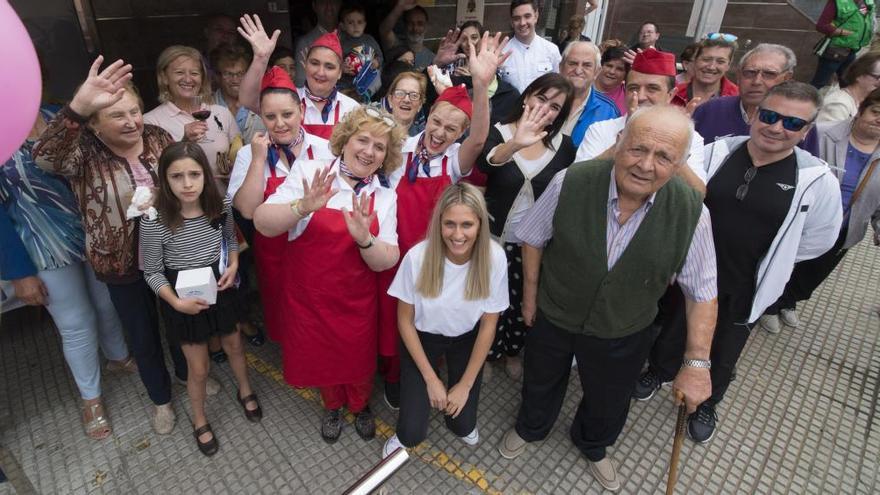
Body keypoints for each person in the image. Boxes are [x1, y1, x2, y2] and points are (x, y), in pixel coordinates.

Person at [497, 106, 718, 493]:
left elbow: (702, 292)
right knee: (541, 378)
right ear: (619, 144)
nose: (646, 165)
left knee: (610, 395)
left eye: (663, 156)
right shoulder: (572, 181)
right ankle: (531, 427)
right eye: (638, 148)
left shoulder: (692, 213)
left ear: (680, 163)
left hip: (625, 326)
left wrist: (697, 363)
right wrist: (530, 300)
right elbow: (532, 237)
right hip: (556, 312)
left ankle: (593, 443)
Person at [635, 82, 843, 445]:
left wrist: (775, 263)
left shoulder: (815, 179)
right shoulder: (718, 152)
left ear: (807, 131)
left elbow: (820, 238)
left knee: (725, 350)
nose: (777, 128)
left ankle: (707, 404)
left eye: (792, 123)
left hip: (747, 285)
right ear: (755, 114)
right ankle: (659, 371)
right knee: (673, 330)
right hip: (691, 276)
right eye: (770, 116)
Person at [34, 56, 210, 436]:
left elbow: (182, 179)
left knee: (179, 322)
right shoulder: (82, 152)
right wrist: (79, 107)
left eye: (135, 111)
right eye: (117, 116)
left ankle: (186, 377)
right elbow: (43, 159)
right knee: (142, 335)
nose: (132, 122)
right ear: (96, 124)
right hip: (120, 264)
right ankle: (161, 401)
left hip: (170, 253)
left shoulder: (159, 138)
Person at [253, 106, 404, 442]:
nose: (369, 151)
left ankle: (360, 405)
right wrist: (302, 207)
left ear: (386, 156)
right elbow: (263, 223)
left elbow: (387, 260)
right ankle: (333, 405)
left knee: (359, 362)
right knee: (321, 358)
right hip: (310, 298)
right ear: (345, 140)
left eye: (379, 147)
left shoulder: (385, 195)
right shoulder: (310, 171)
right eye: (362, 140)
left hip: (355, 302)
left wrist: (365, 239)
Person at [377, 32, 509, 410]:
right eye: (437, 122)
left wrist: (481, 86)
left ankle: (420, 379)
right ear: (428, 115)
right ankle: (392, 374)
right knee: (391, 322)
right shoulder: (397, 146)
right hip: (392, 253)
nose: (440, 133)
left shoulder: (453, 160)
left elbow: (481, 138)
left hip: (432, 258)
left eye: (451, 129)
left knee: (425, 322)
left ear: (459, 134)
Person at [1, 104, 134, 440]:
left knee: (107, 305)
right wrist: (18, 272)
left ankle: (119, 358)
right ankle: (91, 399)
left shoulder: (60, 114)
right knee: (76, 323)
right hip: (42, 244)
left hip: (93, 231)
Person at [140, 142, 260, 456]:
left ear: (205, 175)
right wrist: (175, 303)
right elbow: (151, 272)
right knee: (199, 368)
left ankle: (245, 389)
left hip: (220, 285)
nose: (188, 183)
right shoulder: (154, 220)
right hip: (182, 294)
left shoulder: (219, 205)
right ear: (164, 180)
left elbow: (231, 240)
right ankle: (199, 418)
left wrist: (233, 264)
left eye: (194, 174)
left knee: (234, 344)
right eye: (177, 176)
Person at [382, 183, 509, 457]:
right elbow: (404, 320)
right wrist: (430, 378)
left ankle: (454, 395)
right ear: (439, 223)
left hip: (466, 338)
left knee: (462, 422)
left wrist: (464, 385)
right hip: (422, 338)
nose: (458, 234)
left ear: (480, 225)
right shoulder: (418, 257)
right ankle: (406, 425)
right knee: (413, 433)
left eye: (467, 225)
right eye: (450, 224)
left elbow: (488, 325)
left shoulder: (495, 258)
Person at [478, 73, 576, 379]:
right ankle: (486, 353)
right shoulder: (500, 131)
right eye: (541, 98)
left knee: (523, 301)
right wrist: (516, 144)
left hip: (533, 245)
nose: (545, 108)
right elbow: (486, 163)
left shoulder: (564, 147)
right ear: (527, 96)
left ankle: (512, 351)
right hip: (493, 238)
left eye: (555, 106)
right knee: (488, 299)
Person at [760, 88, 880, 332]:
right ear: (861, 110)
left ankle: (789, 301)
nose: (879, 120)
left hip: (846, 227)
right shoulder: (823, 133)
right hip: (801, 219)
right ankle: (768, 305)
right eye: (876, 111)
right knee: (783, 264)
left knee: (815, 271)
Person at [228, 67, 333, 342]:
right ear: (260, 116)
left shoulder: (326, 149)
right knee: (282, 310)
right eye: (270, 117)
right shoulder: (247, 155)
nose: (279, 124)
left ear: (300, 109)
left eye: (287, 114)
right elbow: (248, 210)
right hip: (275, 252)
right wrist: (258, 159)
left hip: (320, 249)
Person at [576, 49, 706, 192]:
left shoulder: (692, 138)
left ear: (670, 94)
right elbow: (577, 179)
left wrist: (678, 142)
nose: (641, 96)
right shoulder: (600, 129)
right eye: (634, 88)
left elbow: (699, 193)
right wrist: (628, 133)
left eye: (652, 89)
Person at [692, 44, 821, 154]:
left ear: (787, 78)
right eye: (750, 72)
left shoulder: (796, 123)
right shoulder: (709, 110)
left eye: (769, 74)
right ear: (738, 76)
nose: (757, 81)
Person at [144, 45, 241, 191]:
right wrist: (184, 142)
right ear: (164, 77)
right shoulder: (150, 121)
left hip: (224, 203)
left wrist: (234, 172)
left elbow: (239, 155)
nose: (188, 79)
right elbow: (153, 172)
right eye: (179, 72)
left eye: (194, 73)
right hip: (182, 209)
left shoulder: (221, 113)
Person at [559, 41, 620, 147]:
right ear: (561, 67)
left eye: (587, 65)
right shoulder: (543, 100)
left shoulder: (609, 112)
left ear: (596, 72)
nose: (578, 71)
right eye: (573, 63)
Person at [499, 0, 562, 93]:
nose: (522, 23)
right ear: (512, 22)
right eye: (517, 18)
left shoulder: (551, 50)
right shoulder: (503, 52)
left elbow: (559, 86)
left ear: (536, 16)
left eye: (527, 16)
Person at [811, 0, 876, 88]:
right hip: (835, 51)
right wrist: (840, 32)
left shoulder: (864, 3)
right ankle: (805, 100)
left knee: (848, 83)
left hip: (852, 50)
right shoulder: (837, 2)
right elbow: (821, 26)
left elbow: (863, 21)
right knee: (819, 83)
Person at [211, 43, 266, 143]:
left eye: (240, 73)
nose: (235, 79)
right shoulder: (207, 105)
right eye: (228, 74)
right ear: (217, 76)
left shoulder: (262, 103)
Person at [672, 35, 739, 110]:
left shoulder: (739, 98)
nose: (711, 67)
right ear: (695, 61)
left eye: (720, 62)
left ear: (728, 66)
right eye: (706, 59)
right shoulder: (673, 94)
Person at [817, 52, 880, 122]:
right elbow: (826, 132)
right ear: (859, 75)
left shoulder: (865, 103)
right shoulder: (839, 104)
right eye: (878, 77)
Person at [293, 0, 342, 87]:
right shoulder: (305, 42)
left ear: (340, 3)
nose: (329, 7)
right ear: (314, 6)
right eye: (323, 2)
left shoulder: (353, 37)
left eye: (333, 1)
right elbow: (301, 83)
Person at [379, 0, 436, 70]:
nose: (415, 28)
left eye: (420, 23)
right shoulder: (395, 46)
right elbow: (384, 30)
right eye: (411, 23)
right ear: (404, 25)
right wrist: (399, 7)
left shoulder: (432, 58)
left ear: (426, 27)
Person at [339, 4, 383, 92]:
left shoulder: (369, 40)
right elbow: (334, 62)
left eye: (359, 22)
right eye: (351, 22)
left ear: (365, 24)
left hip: (368, 84)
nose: (356, 26)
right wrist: (341, 68)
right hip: (346, 86)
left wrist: (377, 62)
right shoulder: (341, 43)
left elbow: (380, 56)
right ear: (342, 26)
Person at [382, 71, 428, 136]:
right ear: (390, 100)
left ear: (420, 105)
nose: (406, 100)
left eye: (414, 95)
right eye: (400, 93)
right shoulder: (373, 130)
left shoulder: (422, 139)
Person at [594, 45, 630, 115]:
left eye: (619, 69)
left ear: (626, 74)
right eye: (609, 66)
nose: (612, 72)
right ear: (601, 65)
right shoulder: (584, 87)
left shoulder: (628, 97)